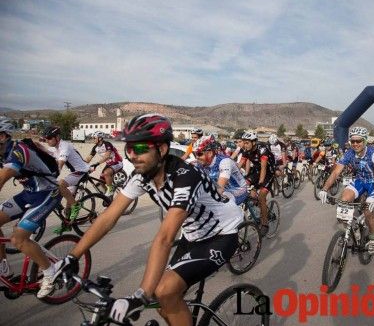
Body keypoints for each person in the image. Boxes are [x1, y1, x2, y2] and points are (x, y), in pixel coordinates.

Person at [52, 114, 242, 325]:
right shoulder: (141, 176)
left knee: (164, 291)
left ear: (161, 149)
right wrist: (71, 257)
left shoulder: (186, 176)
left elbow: (165, 238)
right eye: (129, 149)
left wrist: (139, 295)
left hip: (221, 234)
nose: (132, 155)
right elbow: (108, 217)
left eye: (140, 148)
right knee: (163, 304)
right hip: (193, 234)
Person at [0, 118, 63, 298]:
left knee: (18, 238)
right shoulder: (2, 153)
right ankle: (3, 267)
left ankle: (50, 271)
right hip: (29, 193)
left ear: (3, 136)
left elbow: (2, 177)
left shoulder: (18, 151)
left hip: (47, 194)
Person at [319, 127, 374, 254]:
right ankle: (354, 229)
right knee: (343, 204)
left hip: (373, 184)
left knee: (368, 211)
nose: (355, 144)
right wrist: (324, 189)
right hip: (359, 181)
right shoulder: (349, 153)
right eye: (353, 141)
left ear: (364, 141)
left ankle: (372, 238)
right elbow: (336, 172)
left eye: (358, 141)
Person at [41, 126, 90, 223]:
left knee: (60, 184)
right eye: (46, 139)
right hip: (74, 172)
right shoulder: (56, 148)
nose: (47, 141)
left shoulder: (64, 146)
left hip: (80, 171)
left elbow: (60, 164)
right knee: (67, 208)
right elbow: (47, 154)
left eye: (49, 138)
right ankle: (68, 222)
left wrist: (52, 175)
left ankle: (76, 206)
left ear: (57, 137)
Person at [193, 135, 248, 205]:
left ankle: (236, 215)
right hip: (224, 189)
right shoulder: (200, 163)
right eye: (195, 154)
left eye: (199, 154)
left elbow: (220, 189)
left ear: (210, 153)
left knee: (218, 204)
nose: (197, 157)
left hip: (238, 190)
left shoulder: (224, 162)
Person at [240, 130, 272, 235]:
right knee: (245, 185)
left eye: (247, 143)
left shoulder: (262, 149)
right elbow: (240, 164)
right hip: (256, 172)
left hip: (268, 173)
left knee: (262, 196)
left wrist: (261, 182)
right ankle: (258, 208)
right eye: (243, 142)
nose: (245, 145)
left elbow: (263, 167)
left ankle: (265, 223)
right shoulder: (246, 150)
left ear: (253, 142)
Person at [85, 131, 123, 197]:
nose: (92, 139)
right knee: (101, 182)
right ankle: (107, 197)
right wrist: (80, 163)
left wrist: (97, 164)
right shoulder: (95, 148)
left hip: (117, 162)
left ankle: (110, 189)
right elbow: (89, 158)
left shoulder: (107, 144)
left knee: (106, 173)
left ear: (100, 138)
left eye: (94, 138)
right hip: (109, 164)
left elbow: (107, 156)